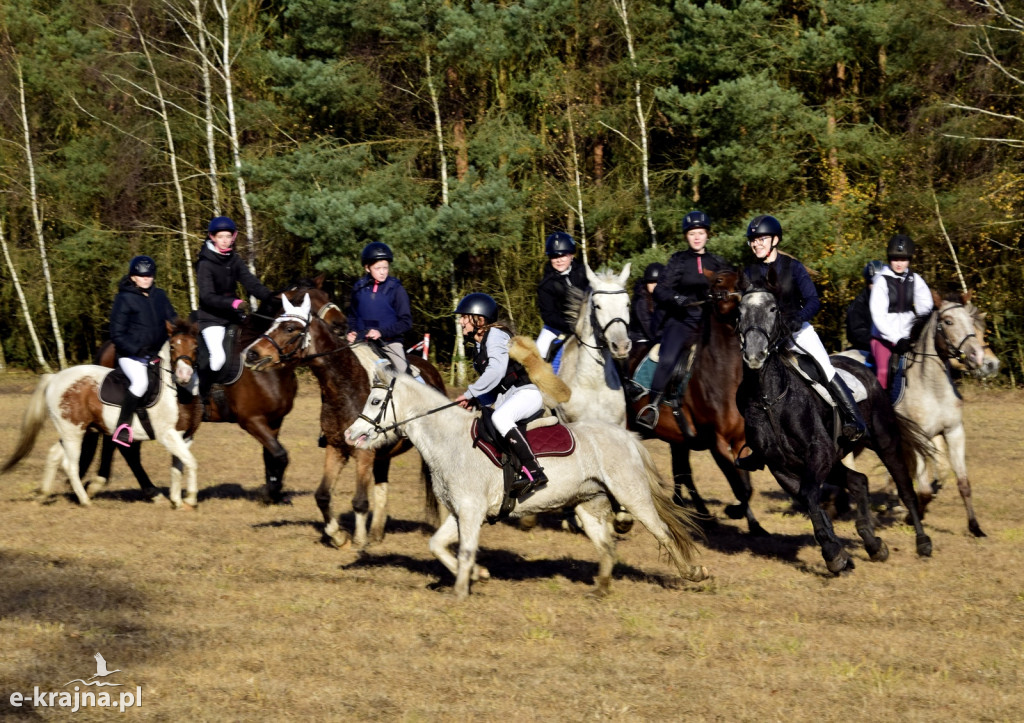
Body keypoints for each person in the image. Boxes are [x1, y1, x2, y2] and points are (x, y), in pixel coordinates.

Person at [741, 214, 866, 444]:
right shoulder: (749, 273)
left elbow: (813, 300)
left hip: (797, 331)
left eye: (761, 239)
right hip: (766, 337)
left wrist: (798, 319)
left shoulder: (793, 267)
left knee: (824, 367)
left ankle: (854, 419)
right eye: (753, 240)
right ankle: (755, 441)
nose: (756, 243)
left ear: (775, 240)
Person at [636, 211, 730, 430]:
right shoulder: (678, 261)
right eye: (692, 234)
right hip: (682, 323)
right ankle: (653, 405)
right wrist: (678, 298)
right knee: (667, 358)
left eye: (701, 233)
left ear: (707, 235)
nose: (697, 237)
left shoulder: (717, 262)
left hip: (711, 325)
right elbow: (660, 290)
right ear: (686, 237)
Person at [454, 292, 548, 496]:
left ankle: (534, 470)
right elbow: (493, 388)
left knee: (500, 417)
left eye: (464, 316)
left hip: (527, 394)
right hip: (510, 397)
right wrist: (476, 400)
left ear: (479, 319)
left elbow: (496, 372)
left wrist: (470, 393)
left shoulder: (496, 336)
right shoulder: (478, 346)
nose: (460, 321)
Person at [196, 216, 273, 395]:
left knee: (255, 345)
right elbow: (207, 296)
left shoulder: (234, 259)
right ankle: (204, 395)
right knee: (218, 359)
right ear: (212, 237)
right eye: (220, 236)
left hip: (232, 317)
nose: (224, 240)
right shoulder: (205, 264)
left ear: (234, 237)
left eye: (228, 237)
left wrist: (271, 297)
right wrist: (232, 303)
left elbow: (251, 283)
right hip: (211, 319)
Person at [109, 255, 178, 446]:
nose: (146, 278)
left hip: (156, 354)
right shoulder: (124, 299)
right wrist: (136, 350)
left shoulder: (160, 296)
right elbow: (117, 333)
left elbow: (172, 320)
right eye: (141, 276)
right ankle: (122, 427)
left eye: (149, 275)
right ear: (133, 277)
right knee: (140, 383)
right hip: (131, 356)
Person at [869, 234, 934, 389]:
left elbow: (926, 306)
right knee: (884, 372)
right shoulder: (881, 281)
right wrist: (896, 339)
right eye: (895, 259)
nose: (899, 263)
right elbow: (878, 315)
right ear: (889, 258)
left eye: (903, 259)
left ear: (909, 260)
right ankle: (881, 409)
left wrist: (916, 331)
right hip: (883, 339)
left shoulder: (915, 279)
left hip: (908, 337)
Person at [346, 242, 413, 373]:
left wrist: (381, 332)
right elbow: (352, 316)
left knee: (403, 371)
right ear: (367, 268)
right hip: (361, 343)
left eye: (385, 268)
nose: (383, 272)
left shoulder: (397, 289)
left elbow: (406, 322)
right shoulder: (358, 288)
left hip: (389, 343)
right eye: (378, 268)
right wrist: (351, 331)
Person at [536, 231, 590, 363]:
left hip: (588, 321)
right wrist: (572, 326)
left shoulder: (585, 273)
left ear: (571, 255)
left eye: (563, 255)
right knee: (539, 348)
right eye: (554, 256)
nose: (559, 260)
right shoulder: (546, 285)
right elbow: (549, 316)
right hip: (557, 327)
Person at [845, 260, 885, 354]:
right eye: (873, 283)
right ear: (867, 284)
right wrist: (880, 342)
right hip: (865, 349)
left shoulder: (891, 302)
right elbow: (858, 333)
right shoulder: (858, 306)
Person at [629, 262, 665, 345]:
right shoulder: (641, 302)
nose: (654, 285)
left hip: (659, 338)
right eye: (651, 282)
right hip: (642, 342)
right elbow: (651, 331)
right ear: (646, 283)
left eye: (658, 282)